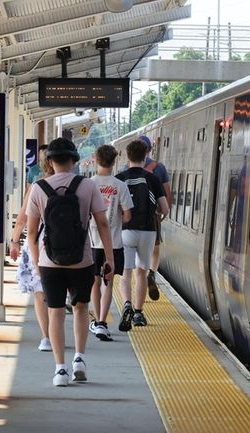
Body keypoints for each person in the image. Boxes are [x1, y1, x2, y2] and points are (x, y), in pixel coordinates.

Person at [26, 137, 115, 387]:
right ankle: (79, 359)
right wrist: (109, 258)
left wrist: (37, 263)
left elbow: (32, 234)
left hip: (49, 262)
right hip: (82, 260)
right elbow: (103, 223)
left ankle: (60, 370)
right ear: (74, 161)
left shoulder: (38, 188)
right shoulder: (87, 186)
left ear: (50, 161)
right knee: (80, 308)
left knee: (55, 313)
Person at [116, 139, 169, 331]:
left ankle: (127, 305)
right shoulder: (153, 179)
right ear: (145, 156)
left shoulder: (119, 178)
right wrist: (157, 221)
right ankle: (138, 313)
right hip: (147, 231)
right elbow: (165, 208)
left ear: (127, 156)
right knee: (141, 272)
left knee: (126, 273)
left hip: (126, 230)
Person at [9, 144, 53, 352]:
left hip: (39, 242)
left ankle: (46, 337)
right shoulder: (78, 185)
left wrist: (15, 241)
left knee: (39, 291)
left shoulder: (37, 186)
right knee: (58, 291)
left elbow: (22, 219)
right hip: (66, 244)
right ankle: (56, 332)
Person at [88, 145, 134, 341]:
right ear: (114, 161)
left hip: (91, 243)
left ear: (96, 159)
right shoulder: (120, 185)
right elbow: (128, 216)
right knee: (109, 284)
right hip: (114, 244)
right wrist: (115, 220)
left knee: (94, 284)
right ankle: (101, 322)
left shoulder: (88, 184)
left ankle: (96, 323)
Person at [138, 135, 172, 301]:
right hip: (153, 216)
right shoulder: (159, 168)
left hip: (132, 219)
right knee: (155, 248)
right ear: (150, 150)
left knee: (136, 258)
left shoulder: (125, 168)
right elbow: (166, 193)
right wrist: (164, 213)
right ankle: (152, 273)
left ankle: (133, 300)